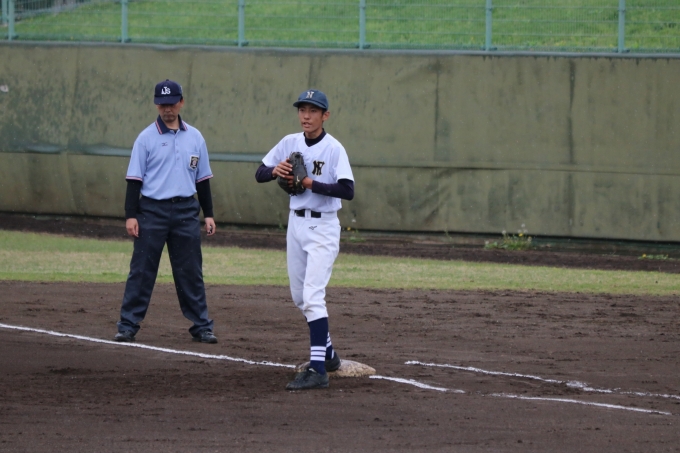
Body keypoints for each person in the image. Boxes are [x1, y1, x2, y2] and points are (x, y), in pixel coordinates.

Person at [255, 89, 355, 390]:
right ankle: (330, 356)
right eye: (302, 110)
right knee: (300, 297)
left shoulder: (334, 148)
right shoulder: (290, 142)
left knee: (313, 297)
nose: (306, 116)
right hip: (296, 225)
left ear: (325, 115)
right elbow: (259, 172)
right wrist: (275, 171)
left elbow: (347, 190)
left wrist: (310, 182)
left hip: (323, 227)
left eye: (313, 111)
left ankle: (318, 370)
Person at [114, 79, 218, 344]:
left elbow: (202, 180)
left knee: (190, 271)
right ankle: (127, 325)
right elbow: (134, 180)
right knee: (141, 270)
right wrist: (130, 215)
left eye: (171, 103)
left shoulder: (195, 137)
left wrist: (208, 213)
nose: (167, 109)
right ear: (156, 105)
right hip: (152, 211)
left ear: (181, 102)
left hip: (186, 211)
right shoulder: (146, 138)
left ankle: (201, 326)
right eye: (162, 104)